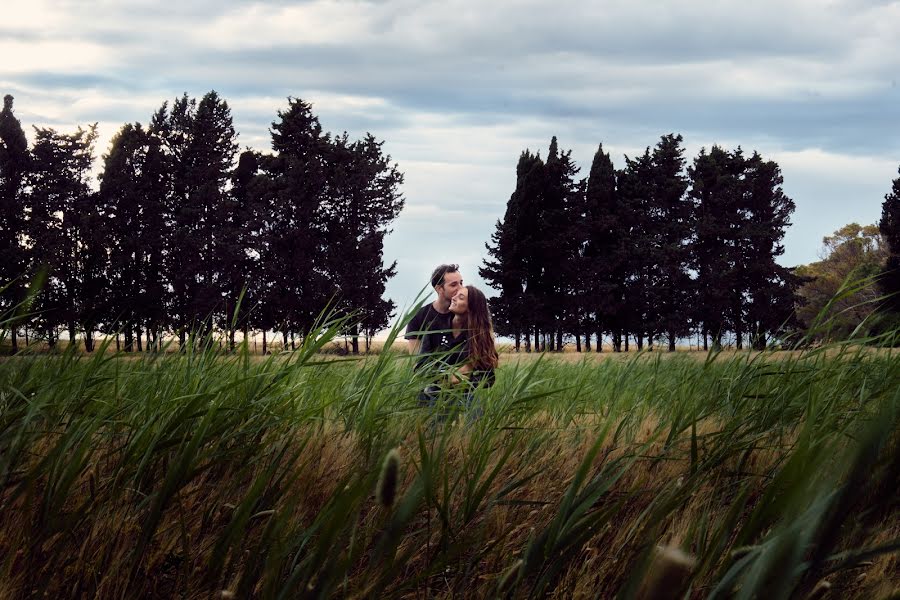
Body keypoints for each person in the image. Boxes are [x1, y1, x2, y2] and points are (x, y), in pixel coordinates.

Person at [417, 285, 499, 415]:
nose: (454, 298)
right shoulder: (434, 327)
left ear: (471, 308)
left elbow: (489, 379)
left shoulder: (479, 337)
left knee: (471, 405)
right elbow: (420, 367)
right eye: (455, 295)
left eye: (460, 297)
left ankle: (470, 434)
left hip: (465, 397)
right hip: (433, 393)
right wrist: (445, 377)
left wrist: (465, 379)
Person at [405, 264, 463, 364]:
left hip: (460, 377)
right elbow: (416, 361)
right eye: (454, 285)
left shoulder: (466, 315)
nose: (461, 288)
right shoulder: (418, 316)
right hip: (428, 377)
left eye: (461, 283)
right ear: (439, 289)